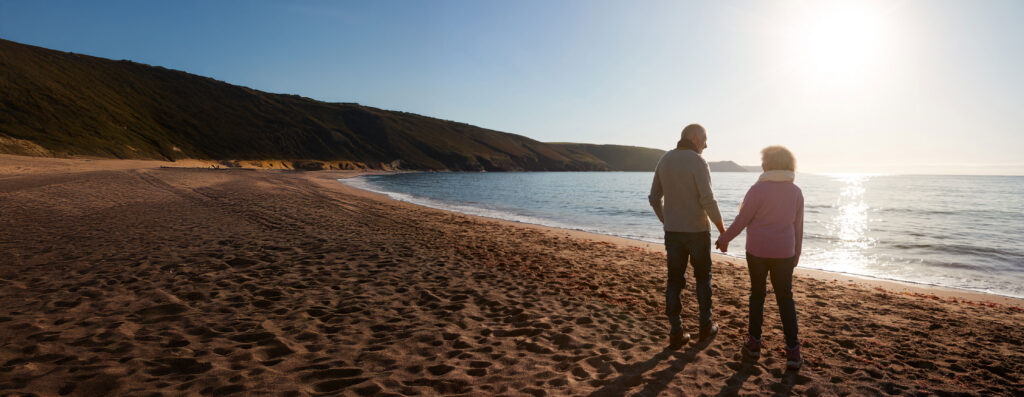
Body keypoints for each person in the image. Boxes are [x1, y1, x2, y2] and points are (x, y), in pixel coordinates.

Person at [715, 145, 804, 370]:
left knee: (757, 295)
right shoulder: (795, 191)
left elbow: (742, 219)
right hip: (785, 252)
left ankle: (754, 344)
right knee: (785, 298)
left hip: (757, 251)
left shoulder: (757, 190)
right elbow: (798, 227)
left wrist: (725, 238)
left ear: (768, 164)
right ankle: (793, 350)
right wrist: (797, 252)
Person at [649, 123, 726, 349]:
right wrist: (723, 231)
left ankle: (676, 331)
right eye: (704, 139)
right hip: (697, 232)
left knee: (674, 280)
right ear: (694, 137)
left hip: (673, 232)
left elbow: (654, 197)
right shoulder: (698, 161)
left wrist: (666, 220)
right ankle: (705, 326)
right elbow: (708, 200)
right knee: (703, 279)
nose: (706, 144)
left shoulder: (664, 160)